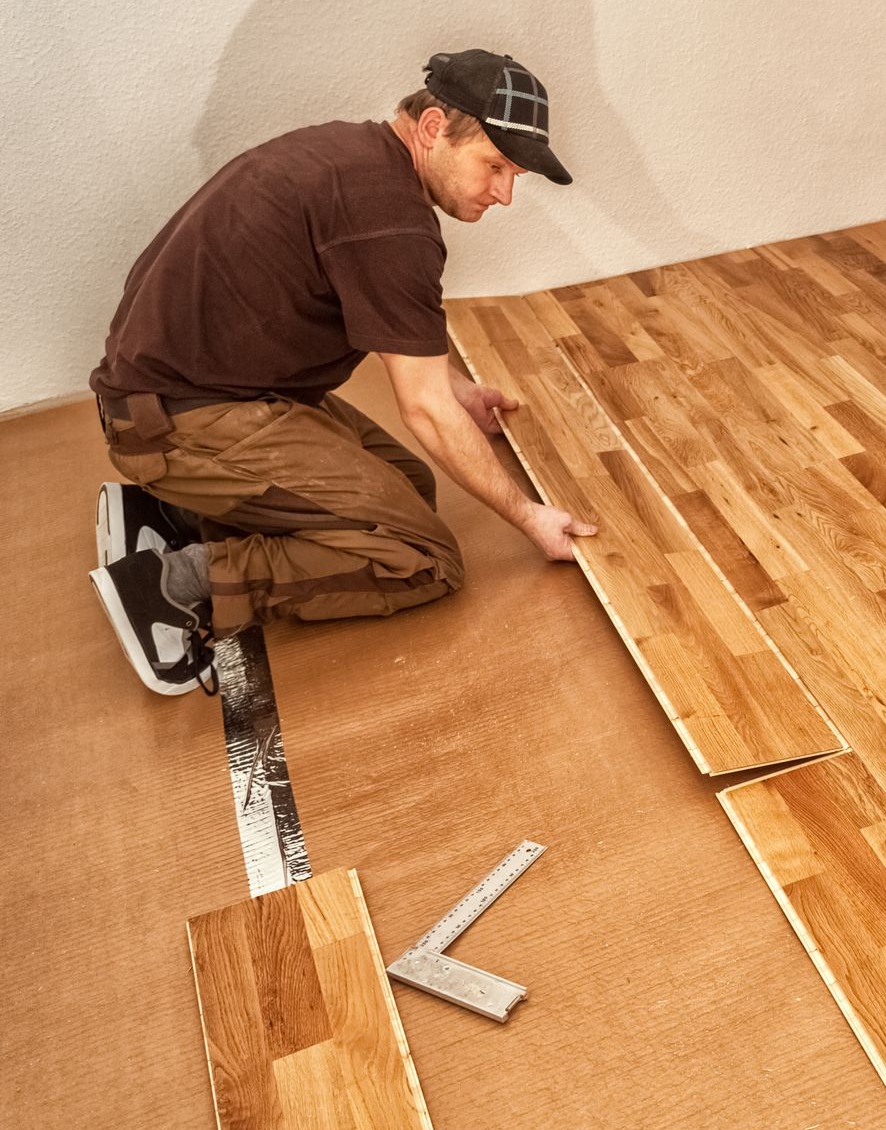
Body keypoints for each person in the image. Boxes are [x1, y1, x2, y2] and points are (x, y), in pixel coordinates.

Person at [88, 49, 598, 696]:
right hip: (180, 416)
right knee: (423, 560)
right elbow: (423, 410)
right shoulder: (390, 222)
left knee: (409, 487)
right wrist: (529, 517)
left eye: (514, 174)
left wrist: (456, 389)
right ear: (433, 127)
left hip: (184, 391)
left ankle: (172, 517)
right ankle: (170, 587)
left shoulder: (352, 158)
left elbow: (403, 345)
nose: (503, 193)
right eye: (494, 166)